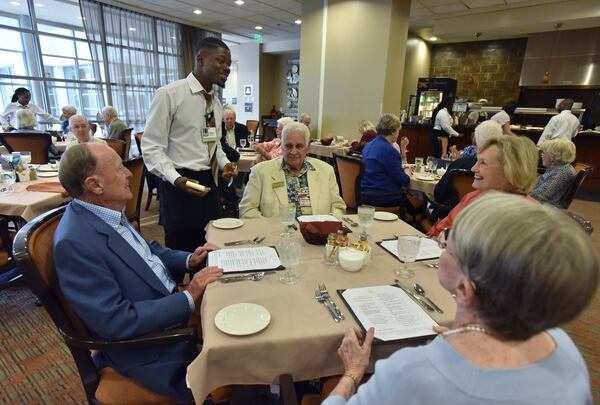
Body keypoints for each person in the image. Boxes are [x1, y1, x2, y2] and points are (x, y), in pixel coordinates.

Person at [323, 192, 598, 405]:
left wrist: (353, 372)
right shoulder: (566, 349)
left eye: (450, 244)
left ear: (465, 291)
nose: (441, 243)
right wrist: (467, 336)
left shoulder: (410, 372)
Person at [54, 143, 224, 401]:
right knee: (245, 352)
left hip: (168, 311)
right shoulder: (74, 243)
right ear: (94, 185)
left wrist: (189, 259)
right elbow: (116, 321)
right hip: (153, 346)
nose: (130, 173)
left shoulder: (104, 211)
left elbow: (145, 250)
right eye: (119, 167)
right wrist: (188, 297)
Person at [142, 37, 237, 257]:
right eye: (221, 61)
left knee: (209, 252)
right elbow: (151, 148)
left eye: (229, 64)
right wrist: (176, 179)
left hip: (209, 184)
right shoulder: (169, 94)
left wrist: (224, 164)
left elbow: (215, 145)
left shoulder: (215, 102)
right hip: (179, 186)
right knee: (180, 257)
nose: (226, 68)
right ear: (201, 59)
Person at [427, 135, 538, 237]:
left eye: (483, 163)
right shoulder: (473, 198)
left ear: (511, 170)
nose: (473, 169)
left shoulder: (530, 217)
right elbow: (436, 231)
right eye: (477, 161)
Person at [239, 122, 345, 218]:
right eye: (289, 146)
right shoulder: (260, 172)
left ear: (308, 148)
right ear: (282, 147)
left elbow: (338, 207)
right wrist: (270, 228)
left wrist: (327, 224)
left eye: (299, 146)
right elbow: (247, 210)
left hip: (316, 236)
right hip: (277, 236)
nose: (294, 152)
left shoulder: (326, 171)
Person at [432, 120, 503, 216]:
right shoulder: (501, 170)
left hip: (450, 214)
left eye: (483, 162)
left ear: (475, 140)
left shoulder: (460, 163)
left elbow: (439, 193)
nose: (474, 168)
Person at [360, 113, 412, 207]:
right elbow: (403, 180)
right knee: (413, 201)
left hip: (364, 194)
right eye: (398, 131)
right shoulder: (389, 151)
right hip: (383, 197)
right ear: (393, 131)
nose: (398, 134)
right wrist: (407, 172)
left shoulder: (368, 146)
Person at [530, 138, 577, 206]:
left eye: (544, 152)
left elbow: (539, 196)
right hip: (538, 203)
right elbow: (537, 183)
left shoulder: (561, 173)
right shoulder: (558, 168)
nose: (541, 155)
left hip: (542, 207)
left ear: (554, 155)